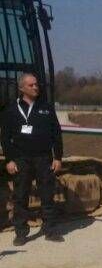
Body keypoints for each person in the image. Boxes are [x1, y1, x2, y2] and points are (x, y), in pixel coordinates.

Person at [1, 72, 63, 245]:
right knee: (20, 197)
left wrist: (57, 157)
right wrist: (9, 160)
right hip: (21, 159)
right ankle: (21, 232)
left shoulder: (46, 107)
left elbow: (56, 134)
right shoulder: (11, 109)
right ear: (22, 88)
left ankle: (50, 230)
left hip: (44, 158)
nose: (36, 87)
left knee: (47, 195)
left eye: (36, 84)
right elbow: (5, 138)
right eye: (31, 85)